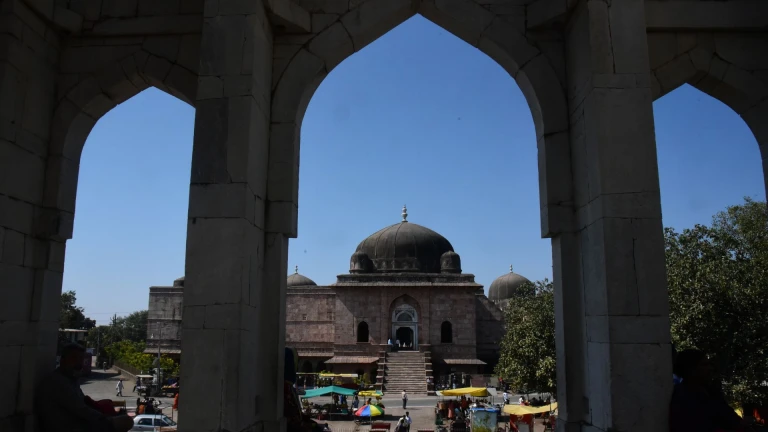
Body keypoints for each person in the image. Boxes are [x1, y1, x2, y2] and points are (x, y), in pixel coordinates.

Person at [35, 343, 134, 432]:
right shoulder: (59, 382)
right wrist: (105, 417)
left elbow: (83, 404)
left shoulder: (71, 380)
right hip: (69, 427)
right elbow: (81, 410)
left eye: (81, 359)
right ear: (63, 360)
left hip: (77, 424)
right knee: (126, 421)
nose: (78, 363)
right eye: (74, 358)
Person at [669, 349, 755, 432]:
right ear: (691, 369)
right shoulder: (684, 397)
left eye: (709, 364)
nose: (710, 368)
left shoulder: (711, 392)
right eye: (704, 365)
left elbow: (731, 418)